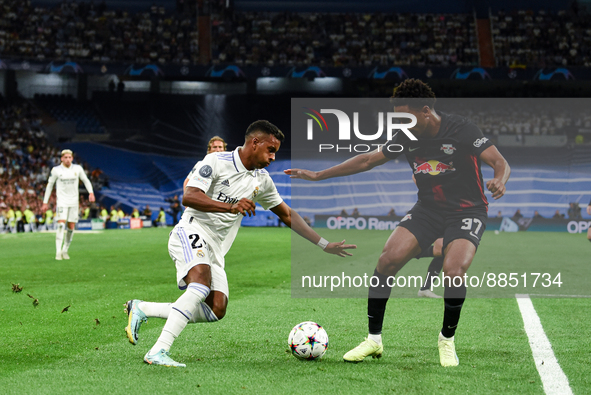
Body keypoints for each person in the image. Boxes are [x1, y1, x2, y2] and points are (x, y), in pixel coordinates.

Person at [286, 79, 510, 367]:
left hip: (467, 211)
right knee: (387, 260)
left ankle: (446, 340)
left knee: (454, 271)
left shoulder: (462, 129)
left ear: (426, 111)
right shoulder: (405, 135)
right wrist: (317, 175)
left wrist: (499, 181)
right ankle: (373, 340)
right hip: (428, 209)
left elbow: (499, 161)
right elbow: (367, 160)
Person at [124, 120, 356, 368]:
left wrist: (323, 244)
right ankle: (158, 350)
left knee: (216, 309)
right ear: (254, 142)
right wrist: (230, 206)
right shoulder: (216, 162)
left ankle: (142, 308)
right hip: (191, 229)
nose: (273, 157)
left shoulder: (262, 180)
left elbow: (287, 215)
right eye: (271, 149)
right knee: (199, 286)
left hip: (216, 248)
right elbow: (189, 197)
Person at [42, 149, 95, 260]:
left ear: (72, 158)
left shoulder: (77, 169)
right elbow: (50, 185)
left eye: (69, 157)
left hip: (74, 201)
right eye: (65, 157)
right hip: (62, 201)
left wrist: (91, 192)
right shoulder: (56, 170)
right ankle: (57, 252)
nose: (67, 159)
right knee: (61, 225)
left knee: (71, 227)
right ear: (61, 158)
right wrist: (45, 202)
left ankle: (65, 250)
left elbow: (85, 180)